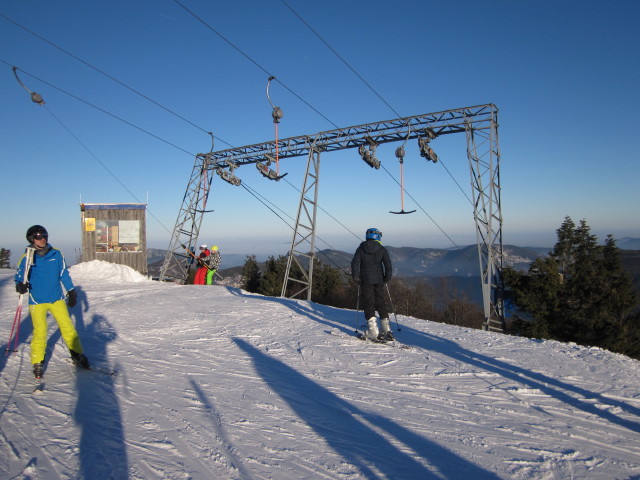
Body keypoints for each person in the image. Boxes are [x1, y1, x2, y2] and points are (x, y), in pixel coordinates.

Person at [15, 225, 89, 378]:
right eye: (38, 236)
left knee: (68, 328)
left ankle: (77, 354)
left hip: (57, 298)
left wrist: (71, 291)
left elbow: (64, 274)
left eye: (44, 236)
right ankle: (37, 361)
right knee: (40, 332)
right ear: (31, 239)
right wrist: (20, 285)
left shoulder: (56, 254)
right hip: (37, 301)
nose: (42, 239)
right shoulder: (27, 257)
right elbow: (20, 275)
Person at [351, 227, 393, 341]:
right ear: (378, 236)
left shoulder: (361, 248)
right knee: (380, 302)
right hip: (379, 280)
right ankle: (387, 330)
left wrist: (356, 277)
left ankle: (373, 331)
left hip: (365, 280)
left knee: (369, 303)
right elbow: (388, 265)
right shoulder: (382, 249)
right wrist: (386, 278)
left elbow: (355, 263)